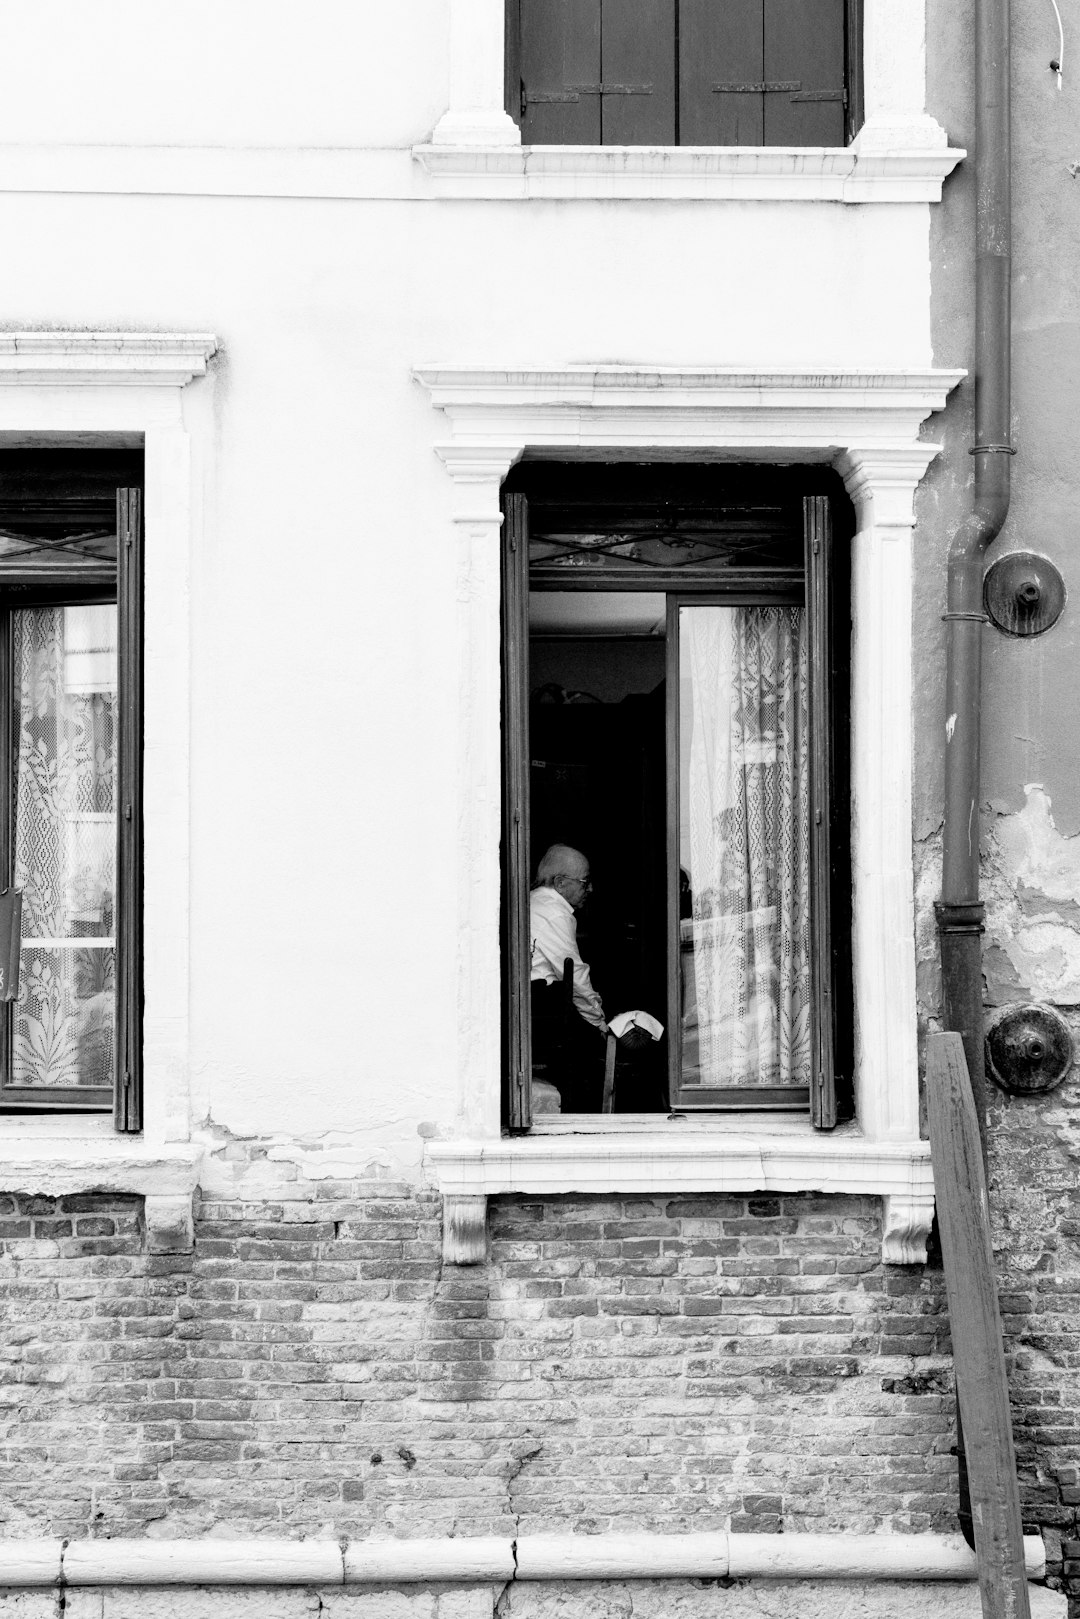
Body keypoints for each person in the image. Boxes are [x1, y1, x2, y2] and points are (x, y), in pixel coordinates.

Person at [530, 844, 607, 1109]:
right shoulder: (553, 910)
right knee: (591, 1053)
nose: (590, 889)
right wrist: (598, 1021)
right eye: (585, 882)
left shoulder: (538, 902)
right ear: (560, 883)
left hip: (536, 1001)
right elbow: (574, 974)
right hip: (542, 1004)